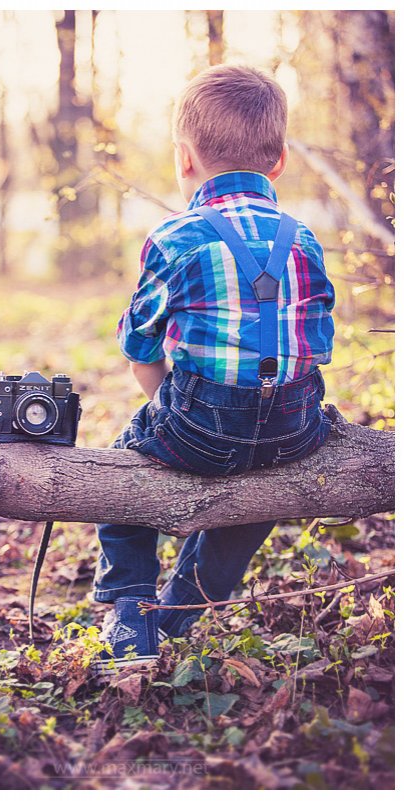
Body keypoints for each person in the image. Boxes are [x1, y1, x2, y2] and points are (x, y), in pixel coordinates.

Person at [92, 65, 335, 675]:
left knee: (119, 480)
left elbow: (140, 345)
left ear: (184, 158)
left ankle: (130, 615)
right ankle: (183, 610)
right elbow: (315, 338)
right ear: (278, 161)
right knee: (255, 500)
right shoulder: (302, 237)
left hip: (199, 425)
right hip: (293, 430)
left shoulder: (175, 236)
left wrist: (165, 408)